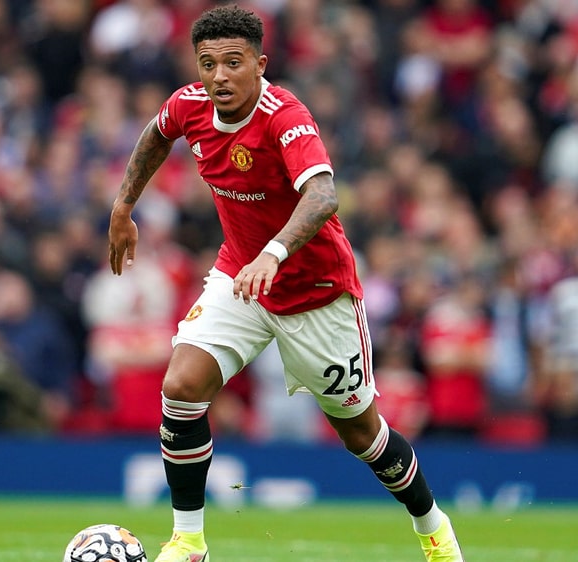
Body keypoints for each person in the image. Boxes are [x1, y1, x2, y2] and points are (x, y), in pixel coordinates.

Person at [106, 6, 463, 562]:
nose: (219, 76)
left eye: (233, 62)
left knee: (362, 435)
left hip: (316, 293)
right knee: (181, 388)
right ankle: (189, 541)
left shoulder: (284, 116)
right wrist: (124, 205)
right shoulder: (189, 104)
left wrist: (273, 254)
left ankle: (432, 525)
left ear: (260, 64)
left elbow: (323, 196)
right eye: (208, 64)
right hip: (240, 276)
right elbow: (156, 134)